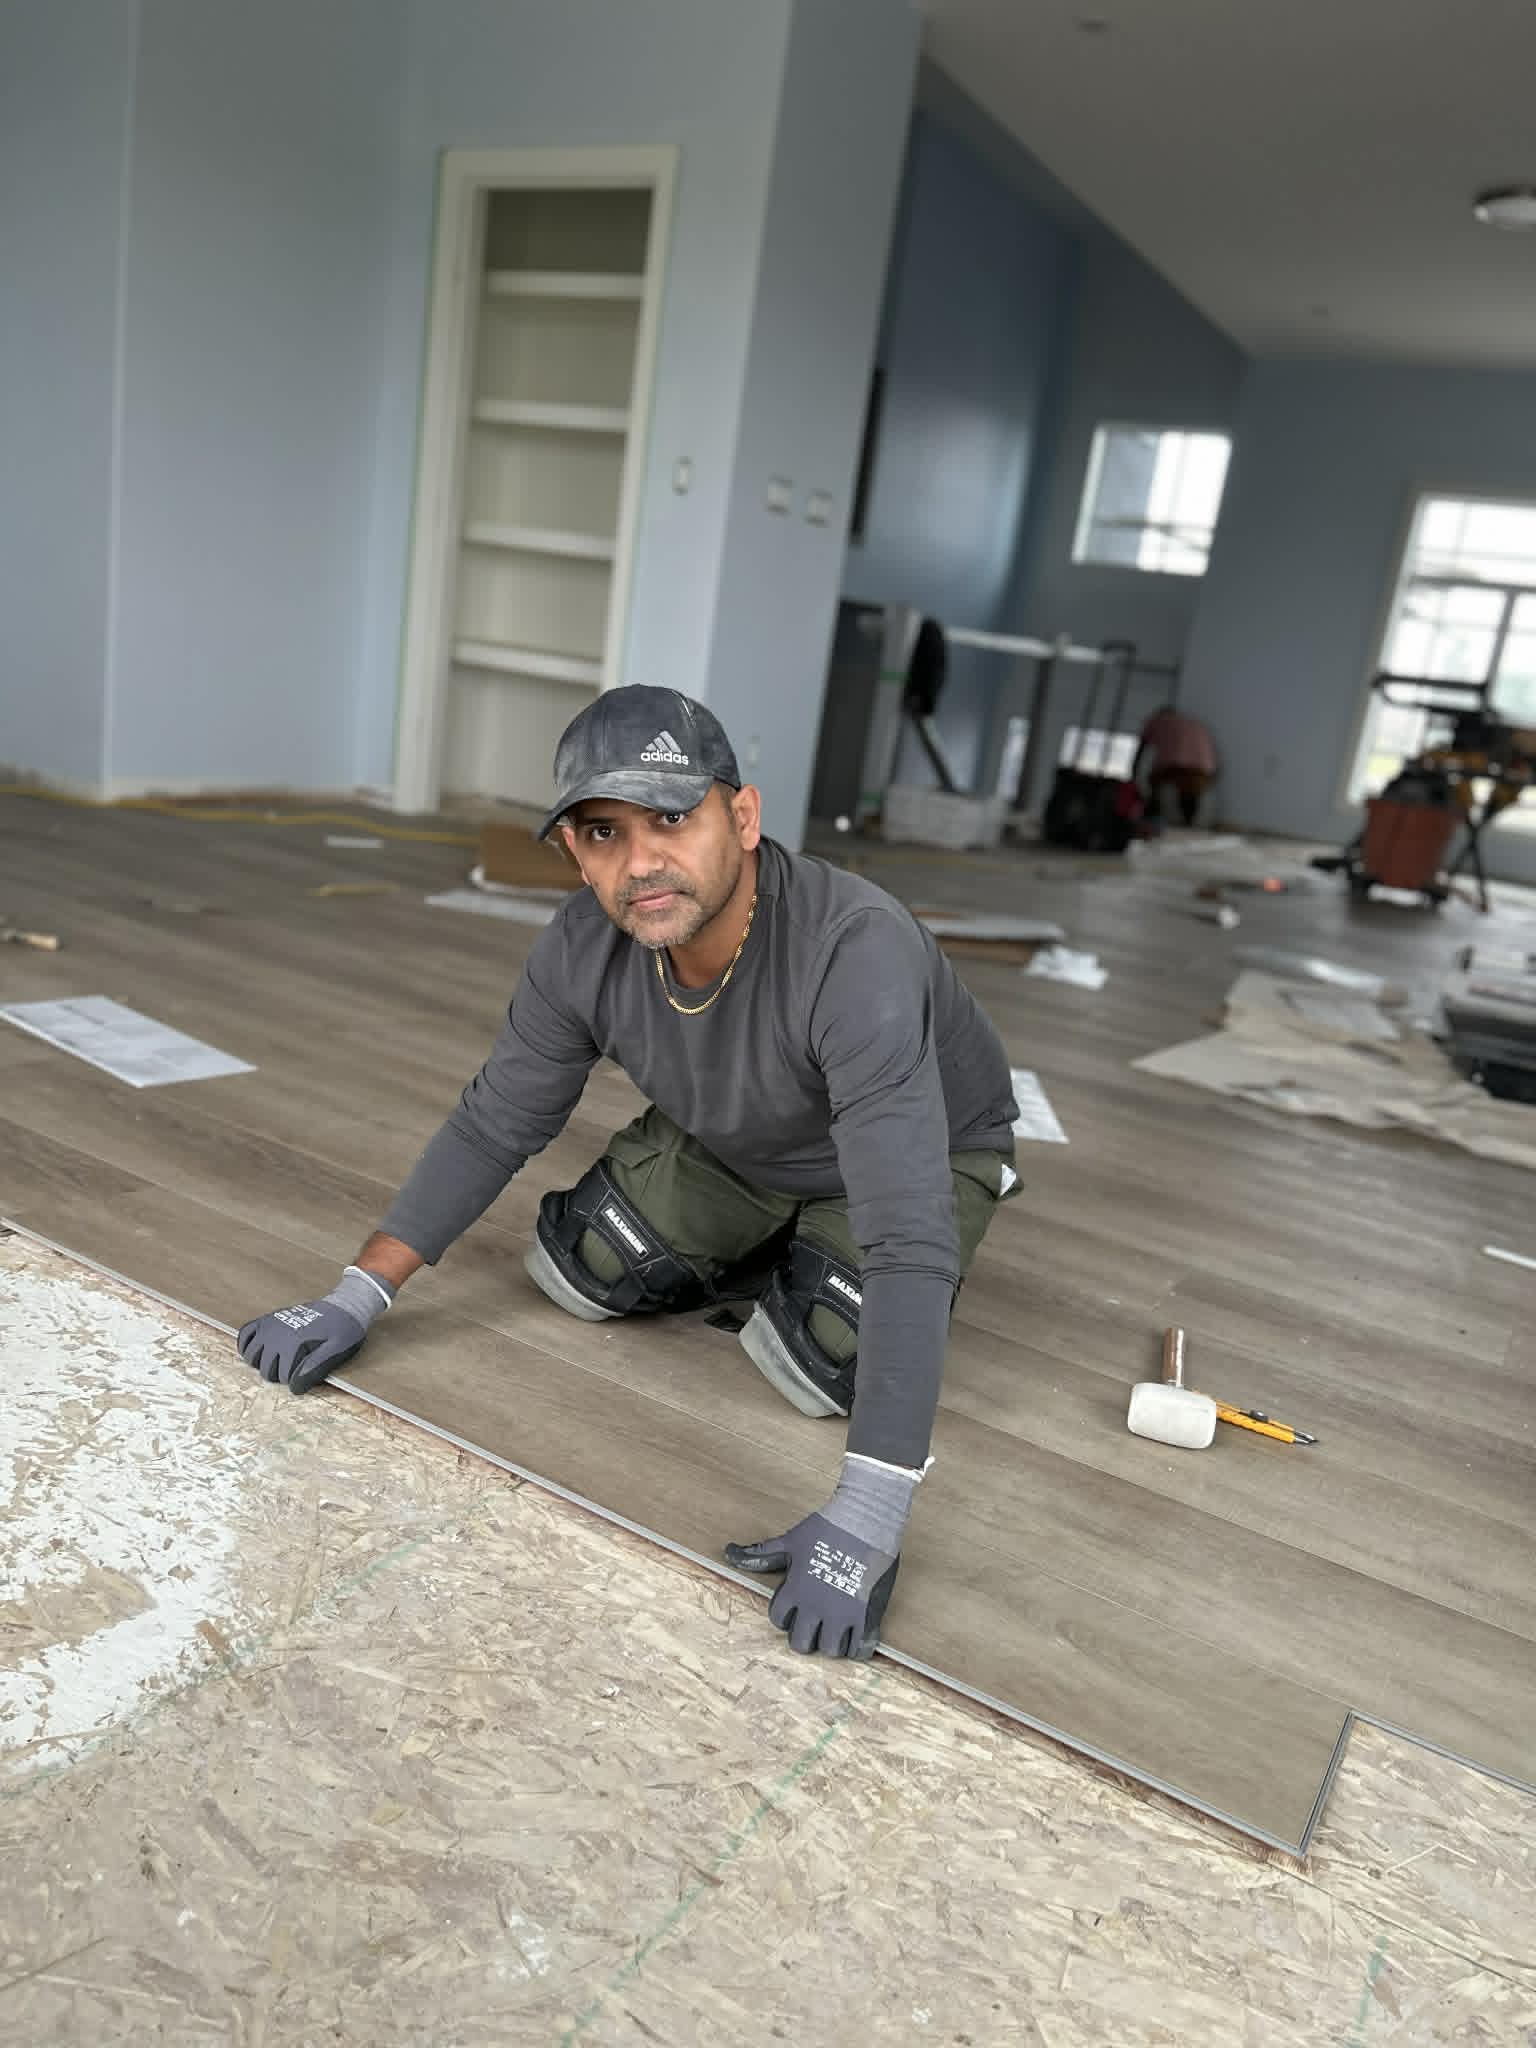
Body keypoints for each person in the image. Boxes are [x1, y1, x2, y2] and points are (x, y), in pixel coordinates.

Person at [236, 687, 1020, 1662]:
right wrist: (356, 1293)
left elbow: (905, 1229)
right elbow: (495, 1121)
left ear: (742, 815)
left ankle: (804, 1257)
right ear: (571, 849)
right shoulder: (582, 947)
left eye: (671, 818)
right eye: (602, 830)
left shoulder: (853, 952)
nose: (639, 860)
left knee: (821, 1354)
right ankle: (767, 1237)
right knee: (582, 1263)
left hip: (925, 1148)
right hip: (742, 1140)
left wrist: (870, 1508)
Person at [1134, 704, 1218, 827]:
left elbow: (1142, 747)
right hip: (1205, 767)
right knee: (1190, 792)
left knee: (1154, 785)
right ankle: (1187, 824)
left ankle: (1150, 818)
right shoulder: (1192, 723)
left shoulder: (1157, 721)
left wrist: (1134, 769)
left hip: (1176, 763)